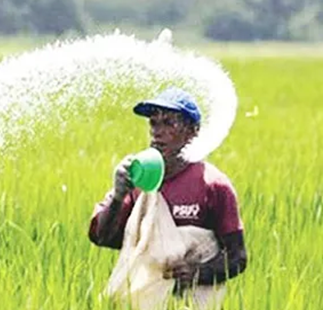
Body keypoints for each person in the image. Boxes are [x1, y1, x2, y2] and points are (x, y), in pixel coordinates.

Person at [88, 87, 247, 295]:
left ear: (192, 131)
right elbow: (104, 238)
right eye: (154, 123)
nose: (157, 132)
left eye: (169, 123)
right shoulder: (137, 180)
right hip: (141, 306)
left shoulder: (213, 185)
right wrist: (118, 197)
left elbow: (237, 257)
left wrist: (198, 272)